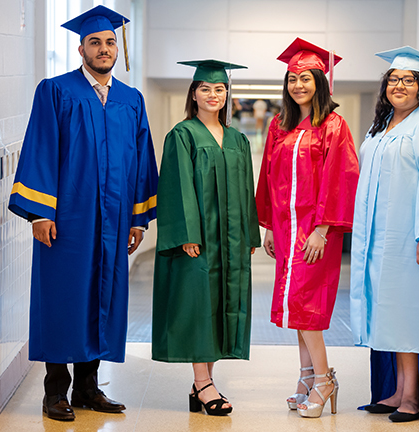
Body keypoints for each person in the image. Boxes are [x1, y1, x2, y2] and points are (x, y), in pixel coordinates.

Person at [8, 5, 158, 422]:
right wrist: (40, 213)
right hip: (68, 221)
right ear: (81, 49)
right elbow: (40, 148)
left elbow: (141, 161)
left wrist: (137, 217)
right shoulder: (56, 91)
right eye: (95, 42)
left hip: (113, 221)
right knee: (63, 298)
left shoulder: (131, 100)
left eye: (110, 42)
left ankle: (89, 388)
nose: (104, 48)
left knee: (102, 296)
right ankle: (56, 391)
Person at [350, 46, 419, 423]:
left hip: (411, 240)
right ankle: (396, 390)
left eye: (408, 80)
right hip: (379, 241)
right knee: (390, 316)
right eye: (394, 80)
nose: (399, 85)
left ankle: (413, 397)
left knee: (411, 317)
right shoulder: (380, 129)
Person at [255, 38, 360, 419]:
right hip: (285, 230)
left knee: (308, 307)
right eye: (292, 78)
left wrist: (324, 228)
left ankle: (324, 378)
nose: (298, 85)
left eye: (305, 78)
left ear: (320, 81)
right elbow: (267, 176)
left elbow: (342, 177)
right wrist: (267, 224)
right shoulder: (279, 125)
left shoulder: (333, 125)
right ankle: (306, 377)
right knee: (296, 308)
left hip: (316, 232)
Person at [151, 60, 261, 416]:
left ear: (227, 94)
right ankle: (204, 384)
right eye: (205, 89)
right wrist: (187, 234)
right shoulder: (182, 135)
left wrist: (248, 234)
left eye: (219, 89)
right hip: (197, 241)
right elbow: (176, 186)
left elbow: (247, 192)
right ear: (194, 95)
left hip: (230, 242)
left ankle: (202, 385)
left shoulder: (238, 140)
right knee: (199, 307)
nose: (213, 95)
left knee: (218, 310)